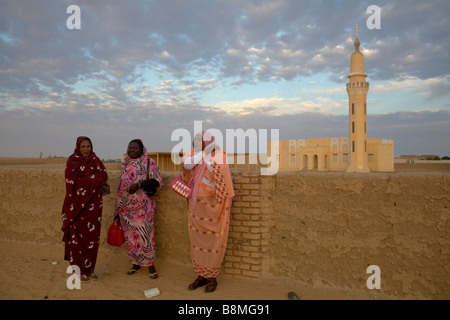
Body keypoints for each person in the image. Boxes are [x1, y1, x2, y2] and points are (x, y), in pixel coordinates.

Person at [182, 131, 234, 293]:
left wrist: (209, 155)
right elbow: (187, 166)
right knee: (197, 242)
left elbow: (221, 173)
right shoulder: (191, 155)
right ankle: (200, 276)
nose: (195, 142)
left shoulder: (219, 155)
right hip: (196, 208)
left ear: (208, 142)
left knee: (214, 242)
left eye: (200, 140)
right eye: (194, 140)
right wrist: (203, 153)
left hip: (214, 208)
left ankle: (212, 278)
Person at [61, 136, 108, 282]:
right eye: (83, 147)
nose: (86, 149)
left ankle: (89, 269)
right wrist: (93, 179)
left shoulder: (96, 160)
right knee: (76, 241)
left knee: (91, 240)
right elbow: (71, 183)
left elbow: (103, 176)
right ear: (78, 147)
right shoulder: (72, 162)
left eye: (88, 146)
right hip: (75, 208)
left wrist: (92, 179)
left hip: (93, 208)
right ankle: (78, 271)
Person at [114, 139, 162, 279]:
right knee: (130, 238)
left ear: (142, 150)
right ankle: (135, 263)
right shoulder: (126, 164)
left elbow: (157, 181)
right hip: (126, 209)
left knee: (146, 236)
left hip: (143, 208)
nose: (132, 150)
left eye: (135, 148)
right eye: (130, 148)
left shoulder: (149, 162)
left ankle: (150, 265)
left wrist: (140, 185)